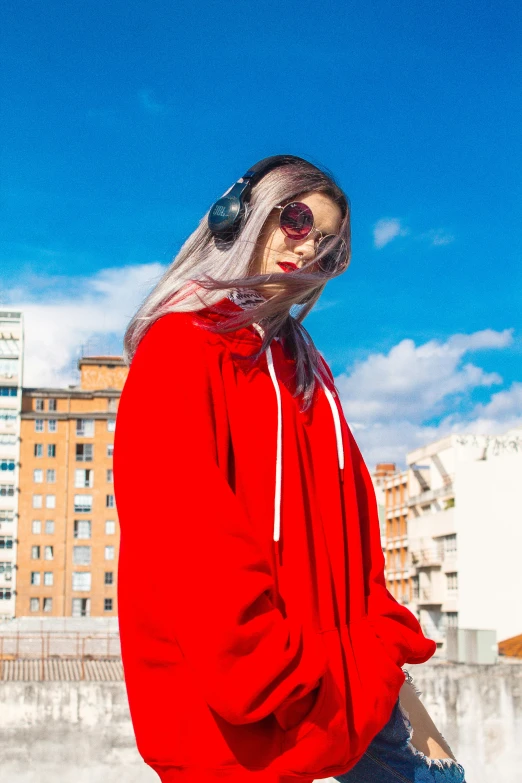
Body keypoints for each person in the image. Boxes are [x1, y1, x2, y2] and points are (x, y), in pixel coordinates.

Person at [114, 155, 467, 783]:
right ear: (242, 215)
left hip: (343, 685)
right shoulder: (181, 349)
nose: (308, 253)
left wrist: (379, 654)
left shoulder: (307, 371)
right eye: (298, 221)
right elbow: (194, 539)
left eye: (329, 249)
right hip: (240, 713)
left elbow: (356, 529)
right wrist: (280, 676)